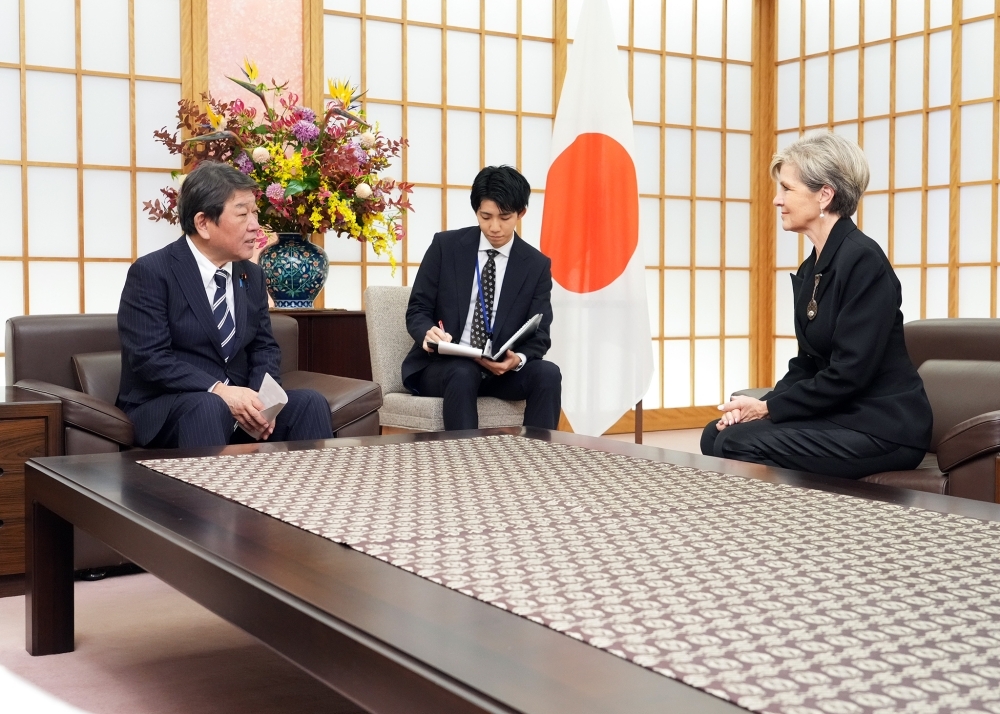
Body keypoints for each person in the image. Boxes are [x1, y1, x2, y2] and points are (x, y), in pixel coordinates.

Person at [701, 132, 932, 479]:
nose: (777, 200)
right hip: (840, 414)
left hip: (882, 427)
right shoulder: (815, 265)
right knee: (714, 434)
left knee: (737, 443)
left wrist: (768, 409)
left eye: (787, 189)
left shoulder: (863, 261)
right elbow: (807, 363)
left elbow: (849, 374)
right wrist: (759, 405)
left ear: (825, 194)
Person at [116, 161, 333, 448]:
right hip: (169, 407)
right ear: (203, 223)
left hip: (237, 408)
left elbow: (264, 347)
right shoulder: (153, 272)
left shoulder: (251, 274)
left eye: (254, 212)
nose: (256, 227)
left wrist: (259, 401)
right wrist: (220, 391)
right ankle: (209, 495)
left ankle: (318, 493)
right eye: (242, 214)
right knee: (209, 406)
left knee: (309, 403)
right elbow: (150, 358)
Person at [402, 165, 562, 430]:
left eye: (505, 217)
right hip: (445, 366)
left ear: (521, 213)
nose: (494, 227)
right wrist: (427, 333)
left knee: (548, 373)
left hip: (500, 370)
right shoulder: (446, 247)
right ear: (476, 211)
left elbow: (540, 333)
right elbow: (418, 308)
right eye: (485, 216)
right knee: (462, 372)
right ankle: (466, 464)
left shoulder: (535, 265)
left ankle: (539, 460)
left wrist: (517, 359)